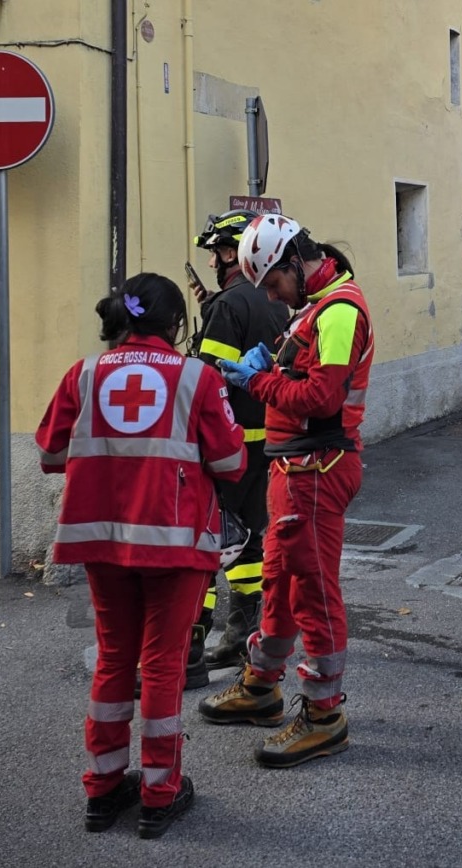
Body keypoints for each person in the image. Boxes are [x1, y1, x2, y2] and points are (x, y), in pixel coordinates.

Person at [36, 273, 246, 837]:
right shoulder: (196, 377)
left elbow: (50, 452)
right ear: (175, 325)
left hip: (101, 539)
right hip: (175, 544)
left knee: (113, 659)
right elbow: (230, 465)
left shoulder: (82, 374)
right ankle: (159, 791)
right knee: (161, 665)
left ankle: (103, 790)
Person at [198, 216, 373, 770]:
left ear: (296, 262)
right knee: (278, 581)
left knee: (314, 593)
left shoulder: (341, 311)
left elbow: (321, 397)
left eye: (273, 283)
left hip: (318, 468)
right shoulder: (317, 306)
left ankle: (324, 716)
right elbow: (304, 371)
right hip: (296, 469)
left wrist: (256, 381)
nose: (270, 294)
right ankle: (262, 685)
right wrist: (270, 364)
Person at [186, 209, 290, 682]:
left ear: (231, 252)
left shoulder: (226, 305)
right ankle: (241, 633)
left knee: (204, 541)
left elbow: (209, 380)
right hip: (266, 442)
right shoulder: (274, 300)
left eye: (215, 253)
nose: (212, 263)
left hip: (225, 448)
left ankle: (191, 634)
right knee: (248, 536)